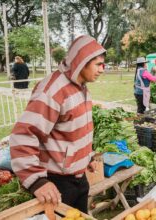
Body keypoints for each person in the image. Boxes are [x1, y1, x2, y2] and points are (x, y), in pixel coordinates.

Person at [9, 35, 106, 213]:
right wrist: (36, 181)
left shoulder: (81, 86)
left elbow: (72, 132)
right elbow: (23, 135)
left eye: (103, 65)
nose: (102, 70)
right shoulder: (52, 91)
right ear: (81, 61)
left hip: (79, 178)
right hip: (58, 183)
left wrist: (85, 157)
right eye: (98, 64)